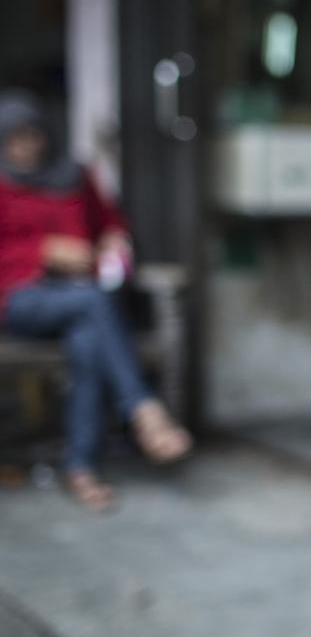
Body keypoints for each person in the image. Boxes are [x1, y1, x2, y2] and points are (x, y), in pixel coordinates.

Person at [0, 89, 192, 511]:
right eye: (14, 139)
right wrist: (44, 251)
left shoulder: (74, 176)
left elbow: (111, 222)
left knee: (88, 341)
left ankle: (81, 468)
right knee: (93, 303)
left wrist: (111, 240)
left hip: (82, 299)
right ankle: (143, 410)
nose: (25, 147)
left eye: (32, 136)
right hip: (19, 300)